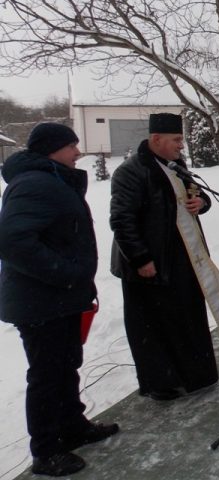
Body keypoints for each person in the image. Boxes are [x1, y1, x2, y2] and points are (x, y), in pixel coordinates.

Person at [0, 123, 119, 477]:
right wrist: (64, 273)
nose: (77, 152)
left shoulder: (51, 178)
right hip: (40, 301)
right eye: (72, 146)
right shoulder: (34, 184)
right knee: (47, 374)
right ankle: (46, 450)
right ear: (52, 149)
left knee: (66, 365)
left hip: (59, 298)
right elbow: (13, 241)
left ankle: (72, 426)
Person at [110, 113, 218, 401]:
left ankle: (194, 373)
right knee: (154, 326)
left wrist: (202, 202)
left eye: (181, 139)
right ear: (156, 139)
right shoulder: (131, 172)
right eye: (176, 140)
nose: (181, 145)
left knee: (185, 317)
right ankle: (162, 382)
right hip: (149, 264)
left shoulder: (175, 166)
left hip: (181, 258)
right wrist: (141, 259)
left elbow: (196, 193)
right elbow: (122, 221)